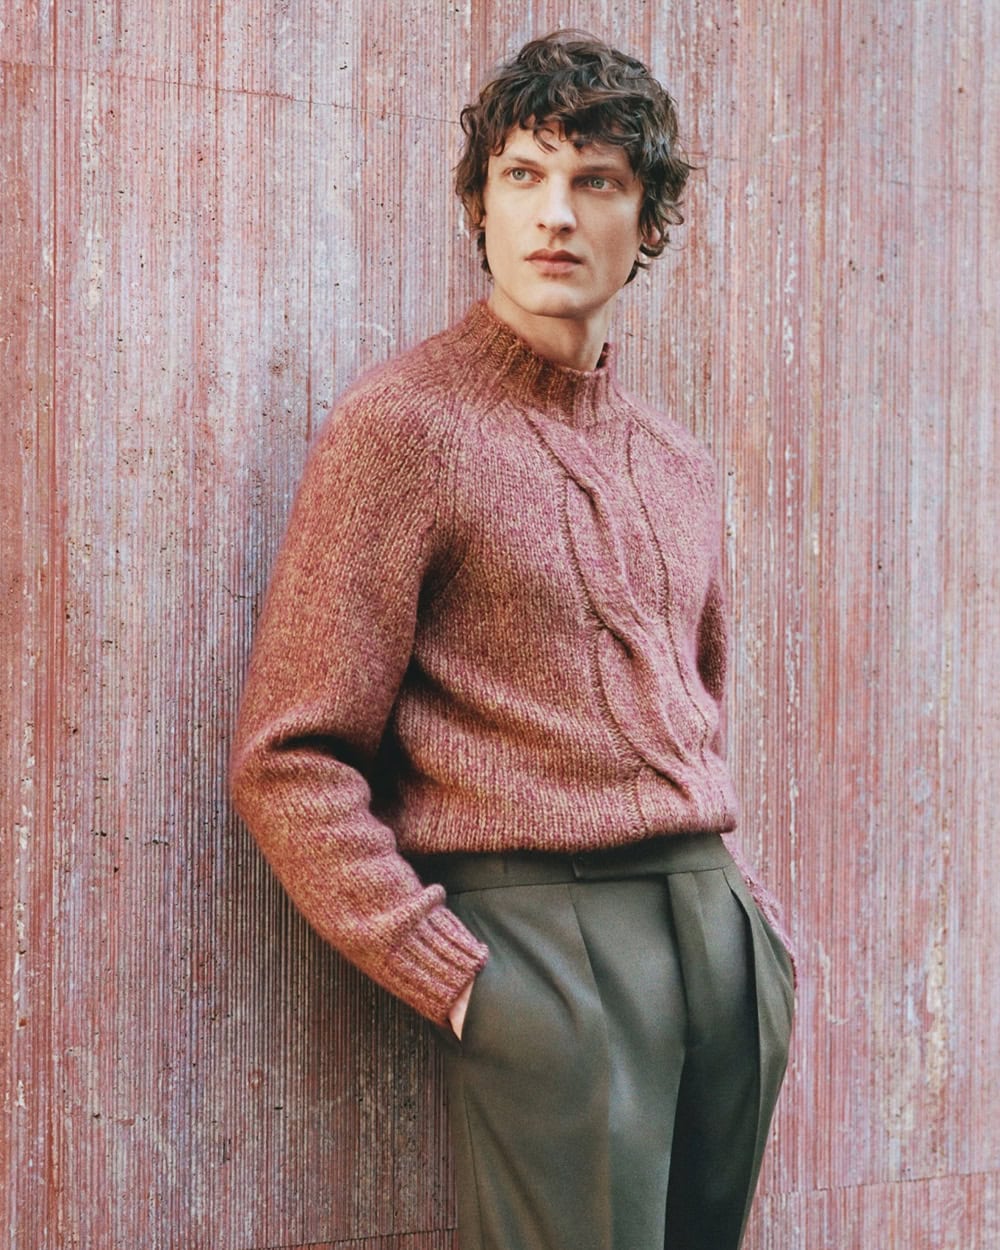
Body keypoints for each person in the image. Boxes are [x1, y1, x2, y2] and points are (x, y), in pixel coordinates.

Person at [231, 29, 795, 1250]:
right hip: (541, 943)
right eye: (523, 176)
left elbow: (692, 712)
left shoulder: (677, 464)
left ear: (646, 221)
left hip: (713, 930)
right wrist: (452, 970)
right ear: (478, 206)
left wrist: (753, 936)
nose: (556, 214)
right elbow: (289, 754)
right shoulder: (403, 427)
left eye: (597, 181)